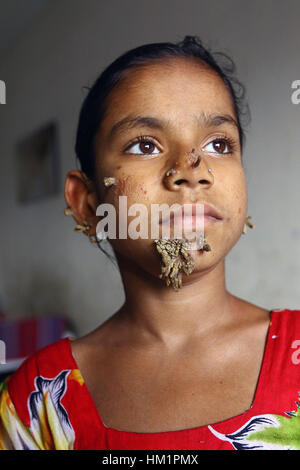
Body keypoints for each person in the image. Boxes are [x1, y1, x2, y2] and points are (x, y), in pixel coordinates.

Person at [0, 35, 299, 451]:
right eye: (145, 145)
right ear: (86, 204)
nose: (191, 170)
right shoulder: (36, 401)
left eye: (218, 144)